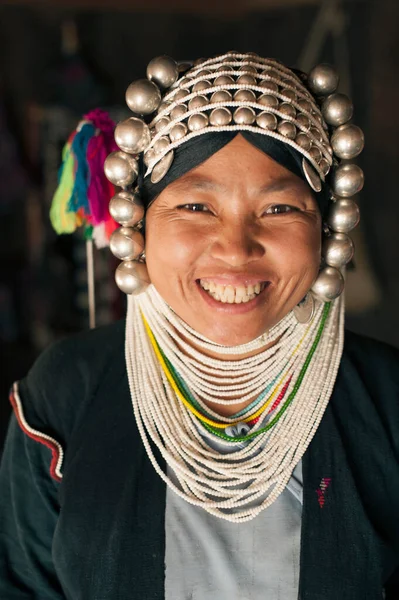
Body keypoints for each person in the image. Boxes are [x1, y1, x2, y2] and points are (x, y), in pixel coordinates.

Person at [1, 51, 398, 600]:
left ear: (329, 228)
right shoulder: (66, 391)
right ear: (138, 224)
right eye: (195, 207)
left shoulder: (390, 400)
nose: (236, 249)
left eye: (280, 209)